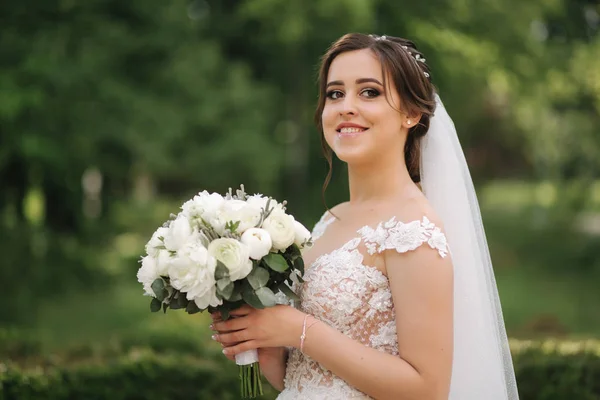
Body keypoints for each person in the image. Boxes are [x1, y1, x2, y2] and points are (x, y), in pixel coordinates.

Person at [210, 33, 519, 399]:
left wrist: (300, 330)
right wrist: (262, 340)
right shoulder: (332, 220)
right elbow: (305, 377)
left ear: (411, 113)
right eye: (335, 94)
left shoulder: (413, 231)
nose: (346, 107)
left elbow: (427, 389)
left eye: (369, 92)